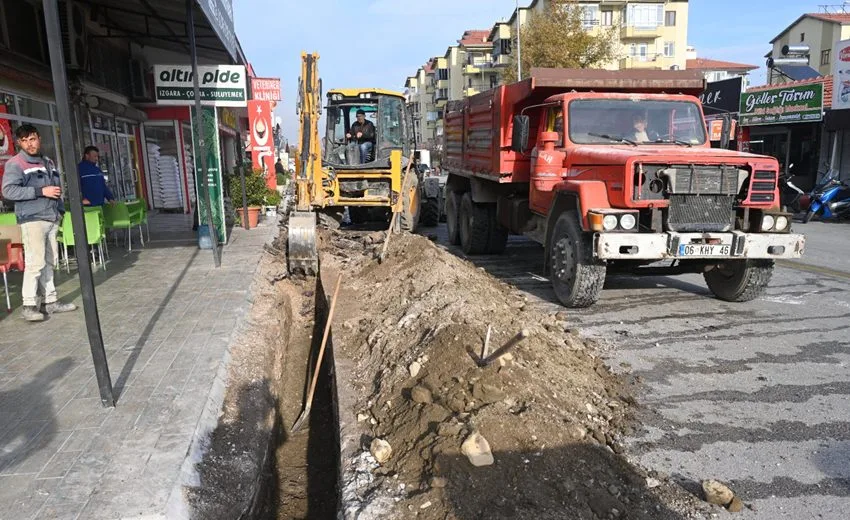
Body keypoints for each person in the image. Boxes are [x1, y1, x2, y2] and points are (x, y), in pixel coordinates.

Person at [1, 124, 77, 321]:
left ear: (39, 138)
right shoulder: (16, 164)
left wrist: (60, 212)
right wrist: (39, 191)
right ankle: (29, 306)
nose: (29, 143)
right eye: (24, 140)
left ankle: (50, 302)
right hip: (33, 220)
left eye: (32, 139)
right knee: (35, 263)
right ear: (18, 143)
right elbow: (8, 191)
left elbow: (56, 188)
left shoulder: (47, 161)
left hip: (51, 218)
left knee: (50, 262)